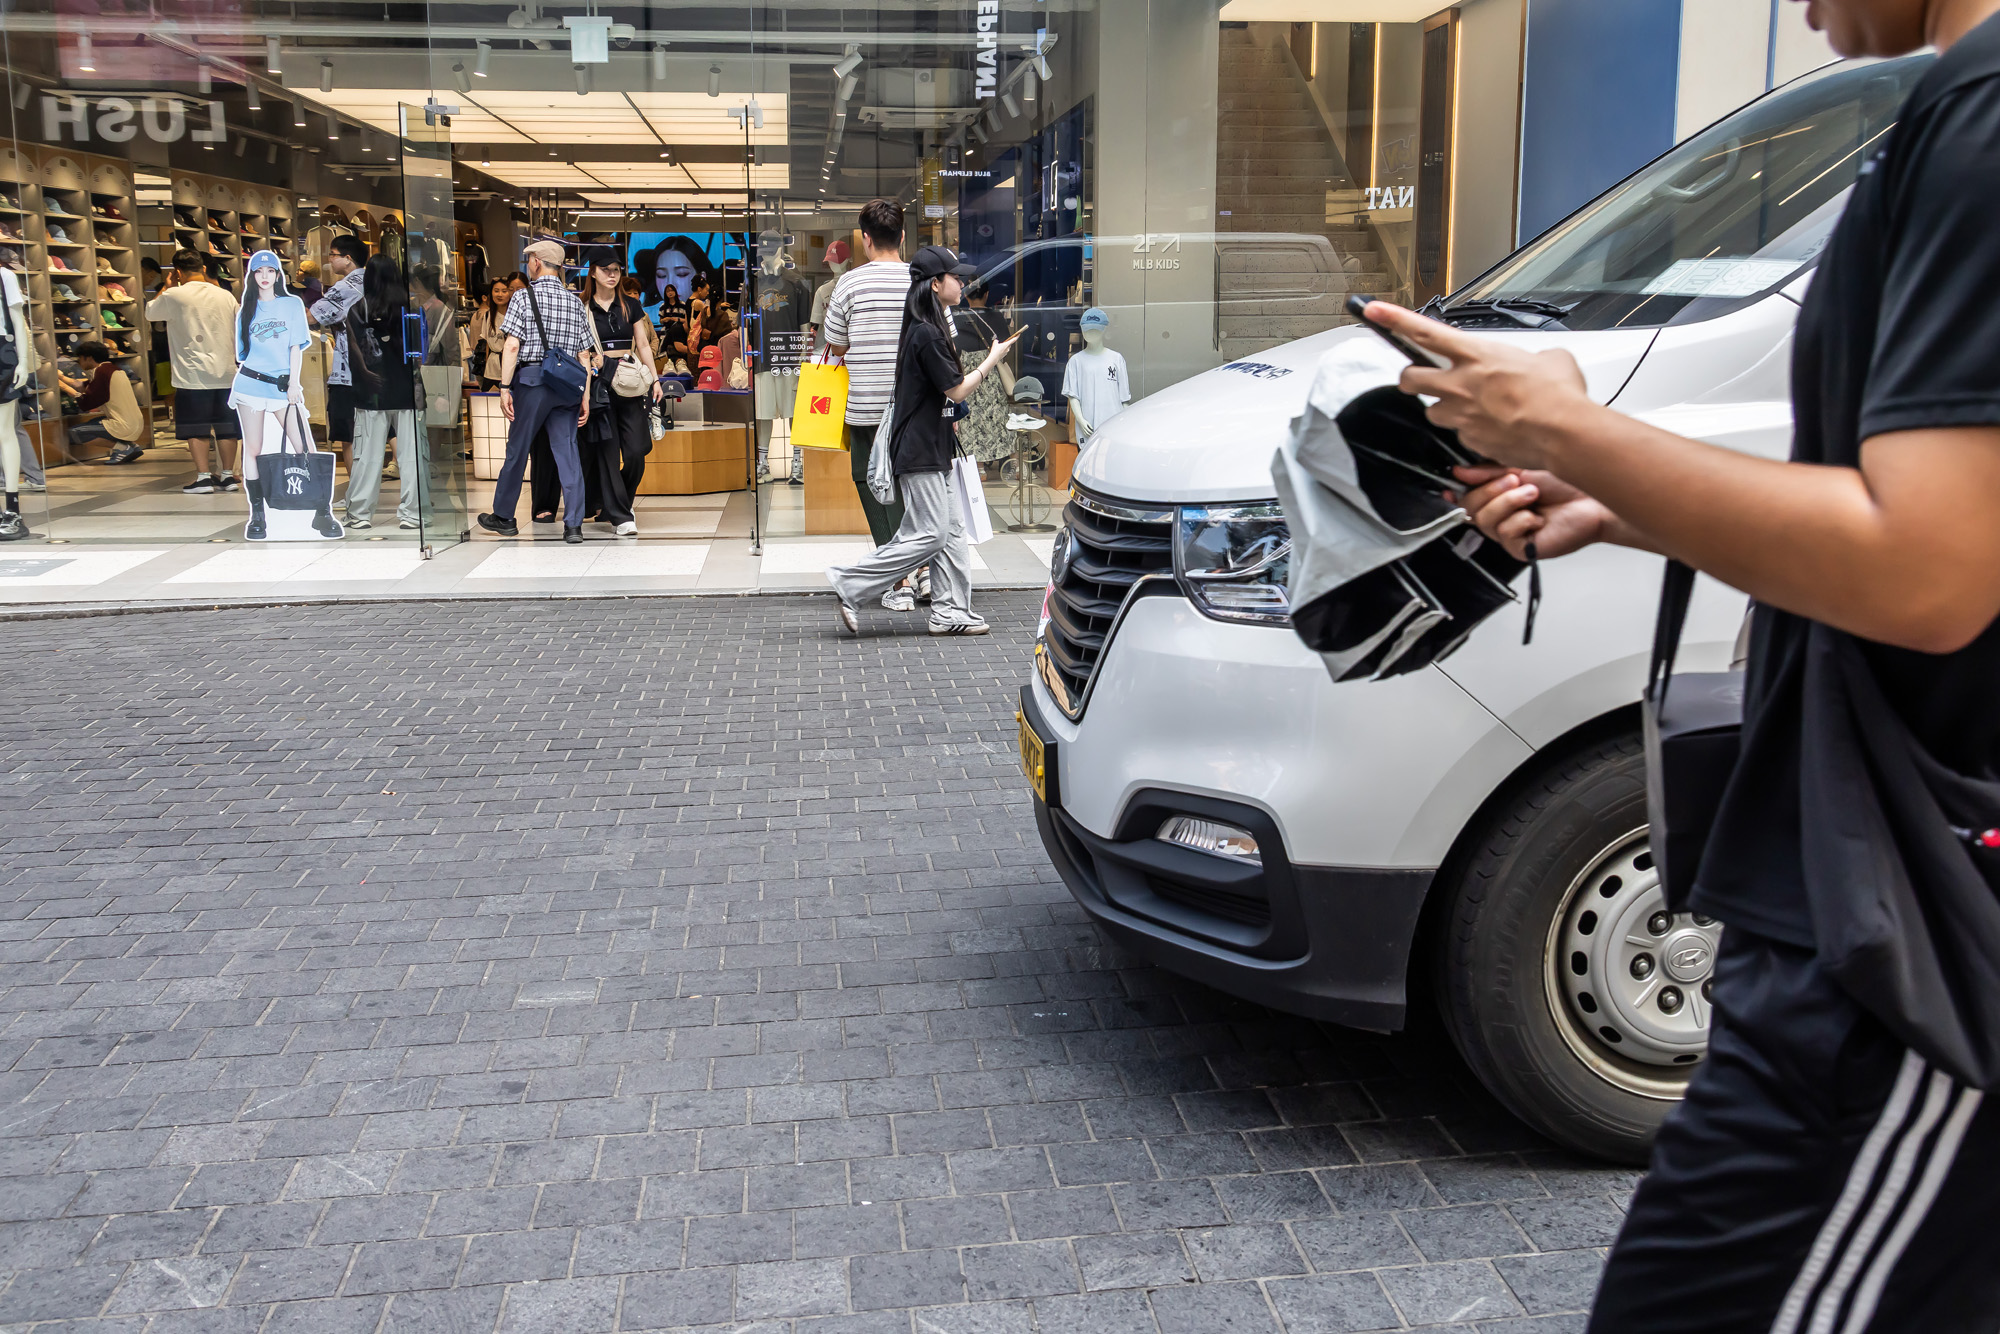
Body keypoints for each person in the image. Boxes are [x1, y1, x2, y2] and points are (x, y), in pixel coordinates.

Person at [1362, 1, 2000, 1327]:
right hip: (1859, 898)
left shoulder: (1983, 117)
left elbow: (1932, 573)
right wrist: (1628, 502)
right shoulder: (1950, 108)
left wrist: (1574, 434)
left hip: (1906, 942)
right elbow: (1907, 506)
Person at [827, 245, 1019, 637]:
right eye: (956, 277)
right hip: (919, 450)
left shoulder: (924, 326)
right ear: (935, 284)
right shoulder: (928, 334)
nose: (963, 283)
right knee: (931, 534)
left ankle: (950, 612)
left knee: (949, 531)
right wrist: (993, 358)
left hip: (929, 445)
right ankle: (850, 582)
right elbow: (956, 390)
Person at [477, 239, 594, 544]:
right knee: (567, 452)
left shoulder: (522, 298)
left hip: (532, 382)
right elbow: (585, 356)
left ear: (538, 262)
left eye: (529, 260)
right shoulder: (574, 301)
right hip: (567, 385)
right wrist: (585, 397)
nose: (528, 264)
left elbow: (512, 345)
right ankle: (573, 525)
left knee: (517, 449)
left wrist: (504, 387)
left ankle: (504, 516)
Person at [823, 199, 918, 552]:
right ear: (902, 237)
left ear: (866, 239)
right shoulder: (923, 282)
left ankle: (899, 574)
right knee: (915, 484)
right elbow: (947, 345)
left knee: (867, 479)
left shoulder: (848, 284)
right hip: (915, 407)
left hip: (865, 405)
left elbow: (836, 346)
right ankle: (920, 566)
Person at [229, 249, 335, 541]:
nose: (264, 277)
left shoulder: (291, 305)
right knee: (253, 448)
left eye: (270, 271)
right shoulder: (245, 308)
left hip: (280, 386)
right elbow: (242, 354)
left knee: (304, 445)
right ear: (253, 276)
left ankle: (322, 511)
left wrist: (293, 384)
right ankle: (258, 515)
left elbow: (295, 348)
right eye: (259, 272)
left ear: (278, 275)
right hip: (249, 386)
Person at [577, 247, 664, 536]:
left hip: (630, 383)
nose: (612, 275)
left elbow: (643, 345)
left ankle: (619, 500)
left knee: (638, 450)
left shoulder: (630, 305)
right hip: (599, 383)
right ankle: (620, 515)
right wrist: (585, 393)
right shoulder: (583, 307)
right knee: (607, 452)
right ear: (593, 272)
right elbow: (581, 352)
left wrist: (655, 380)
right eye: (605, 269)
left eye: (616, 269)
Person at [147, 248, 240, 492]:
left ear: (177, 272)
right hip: (226, 371)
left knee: (196, 427)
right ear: (204, 268)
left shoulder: (175, 295)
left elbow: (150, 313)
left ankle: (203, 478)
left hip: (192, 374)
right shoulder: (225, 296)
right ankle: (228, 476)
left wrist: (167, 286)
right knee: (227, 427)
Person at [342, 254, 420, 532]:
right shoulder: (409, 309)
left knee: (368, 455)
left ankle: (360, 513)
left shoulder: (357, 309)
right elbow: (417, 354)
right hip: (407, 391)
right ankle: (414, 514)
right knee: (411, 456)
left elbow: (355, 353)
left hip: (372, 390)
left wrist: (365, 378)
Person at [308, 235, 367, 472]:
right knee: (384, 430)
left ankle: (355, 495)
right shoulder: (378, 282)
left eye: (333, 255)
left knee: (348, 434)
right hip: (376, 368)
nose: (330, 261)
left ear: (347, 258)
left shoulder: (344, 287)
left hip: (348, 371)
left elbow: (312, 317)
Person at [953, 282, 1016, 464]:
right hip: (992, 373)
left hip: (968, 374)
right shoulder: (996, 316)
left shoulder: (957, 317)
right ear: (987, 294)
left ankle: (978, 467)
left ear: (966, 296)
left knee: (971, 419)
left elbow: (953, 349)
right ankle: (1013, 462)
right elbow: (1006, 345)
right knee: (998, 416)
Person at [58, 341, 144, 461]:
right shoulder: (111, 369)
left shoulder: (102, 373)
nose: (79, 363)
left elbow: (86, 403)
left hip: (123, 425)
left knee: (75, 432)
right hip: (135, 422)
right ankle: (131, 445)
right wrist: (60, 377)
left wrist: (66, 388)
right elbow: (82, 385)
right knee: (93, 422)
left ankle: (121, 448)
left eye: (80, 359)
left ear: (89, 358)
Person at [468, 276, 512, 389]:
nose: (500, 294)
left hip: (509, 367)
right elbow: (486, 344)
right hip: (491, 369)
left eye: (504, 291)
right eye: (496, 291)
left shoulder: (514, 316)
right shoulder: (488, 315)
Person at [654, 277, 691, 375]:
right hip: (666, 330)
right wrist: (665, 320)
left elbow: (686, 320)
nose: (670, 293)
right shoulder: (663, 306)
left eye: (671, 290)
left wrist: (676, 319)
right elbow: (660, 320)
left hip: (679, 330)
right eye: (667, 291)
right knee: (664, 346)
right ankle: (666, 364)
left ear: (675, 292)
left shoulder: (682, 304)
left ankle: (679, 364)